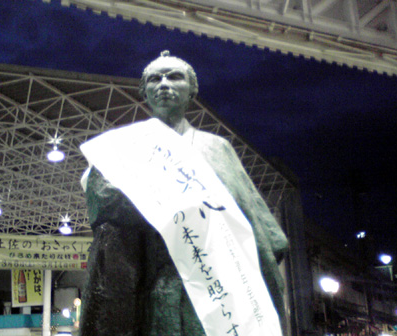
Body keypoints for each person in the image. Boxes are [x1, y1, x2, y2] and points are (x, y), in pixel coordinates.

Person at [79, 51, 288, 336]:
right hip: (157, 288)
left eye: (174, 77)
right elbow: (102, 203)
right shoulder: (125, 148)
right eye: (155, 79)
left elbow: (259, 226)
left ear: (192, 90)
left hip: (215, 292)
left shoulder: (216, 148)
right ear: (144, 92)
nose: (164, 84)